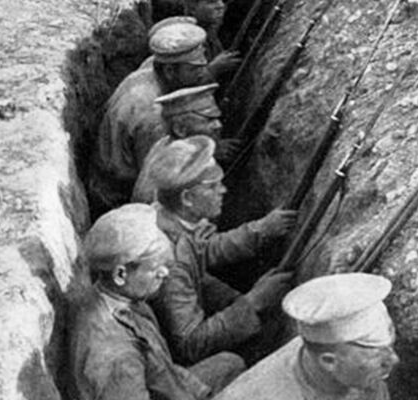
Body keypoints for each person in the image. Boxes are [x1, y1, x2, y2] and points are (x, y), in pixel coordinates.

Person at [144, 135, 297, 366]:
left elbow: (205, 251)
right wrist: (252, 302)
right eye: (213, 186)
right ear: (187, 198)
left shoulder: (166, 215)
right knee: (231, 363)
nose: (223, 190)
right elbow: (190, 346)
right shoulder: (170, 262)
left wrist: (261, 230)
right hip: (174, 366)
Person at [68, 203, 245, 400]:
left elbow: (160, 367)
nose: (165, 273)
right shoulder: (117, 358)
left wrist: (199, 392)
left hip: (162, 388)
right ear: (120, 274)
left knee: (230, 364)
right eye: (155, 268)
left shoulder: (121, 297)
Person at [88, 19, 213, 219]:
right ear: (170, 71)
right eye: (194, 69)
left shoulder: (150, 70)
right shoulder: (154, 118)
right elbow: (153, 186)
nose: (203, 72)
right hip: (115, 201)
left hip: (109, 175)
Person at [215, 272, 400, 400]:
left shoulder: (346, 365)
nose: (394, 359)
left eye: (389, 347)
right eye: (378, 358)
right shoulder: (266, 394)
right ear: (329, 361)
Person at [132, 83, 239, 204]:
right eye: (209, 120)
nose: (218, 125)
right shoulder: (174, 165)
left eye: (217, 119)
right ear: (180, 130)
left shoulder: (166, 144)